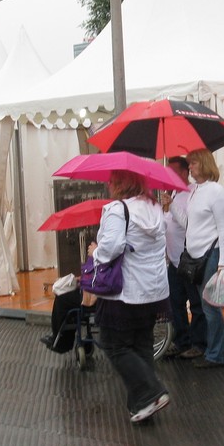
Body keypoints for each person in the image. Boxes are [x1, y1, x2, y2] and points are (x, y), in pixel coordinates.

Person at [86, 169, 171, 424]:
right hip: (154, 289)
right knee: (142, 343)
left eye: (112, 181)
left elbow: (111, 248)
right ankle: (141, 406)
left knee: (115, 345)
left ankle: (151, 392)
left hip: (126, 290)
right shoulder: (154, 208)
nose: (109, 184)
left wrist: (95, 252)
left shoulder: (117, 210)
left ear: (119, 184)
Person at [173, 148, 224, 368]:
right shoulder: (195, 191)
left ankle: (217, 354)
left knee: (209, 306)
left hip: (210, 254)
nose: (190, 167)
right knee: (206, 306)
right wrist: (172, 207)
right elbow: (189, 223)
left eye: (193, 163)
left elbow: (223, 228)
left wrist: (222, 262)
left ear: (204, 164)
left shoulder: (215, 191)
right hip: (195, 255)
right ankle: (214, 351)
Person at [160, 156, 206, 358]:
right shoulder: (173, 193)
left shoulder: (192, 194)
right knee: (175, 303)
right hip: (174, 260)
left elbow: (190, 224)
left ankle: (199, 343)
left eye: (174, 171)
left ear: (185, 172)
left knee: (195, 304)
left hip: (189, 259)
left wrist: (172, 206)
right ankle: (182, 341)